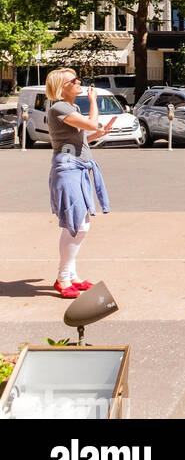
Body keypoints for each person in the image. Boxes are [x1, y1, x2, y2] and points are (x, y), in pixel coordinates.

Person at [45, 69, 115, 299]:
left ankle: (71, 275)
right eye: (73, 80)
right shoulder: (59, 107)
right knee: (76, 226)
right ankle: (63, 278)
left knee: (79, 224)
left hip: (78, 167)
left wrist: (100, 133)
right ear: (61, 87)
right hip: (68, 169)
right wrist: (94, 103)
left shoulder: (71, 108)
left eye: (77, 79)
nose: (79, 83)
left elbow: (83, 137)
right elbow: (91, 124)